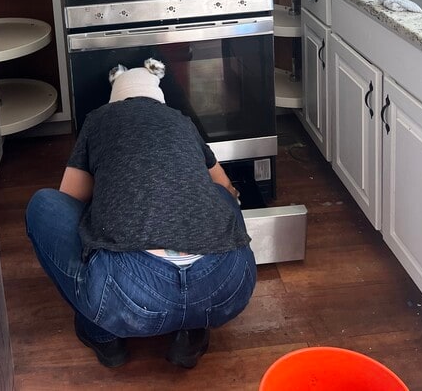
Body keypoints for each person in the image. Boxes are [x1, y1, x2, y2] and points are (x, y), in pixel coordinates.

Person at [25, 58, 257, 369]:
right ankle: (192, 331)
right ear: (159, 98)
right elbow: (225, 187)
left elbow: (69, 199)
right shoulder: (182, 121)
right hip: (229, 284)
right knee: (220, 196)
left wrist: (112, 195)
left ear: (115, 97)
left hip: (130, 295)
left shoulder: (99, 118)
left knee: (43, 205)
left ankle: (103, 336)